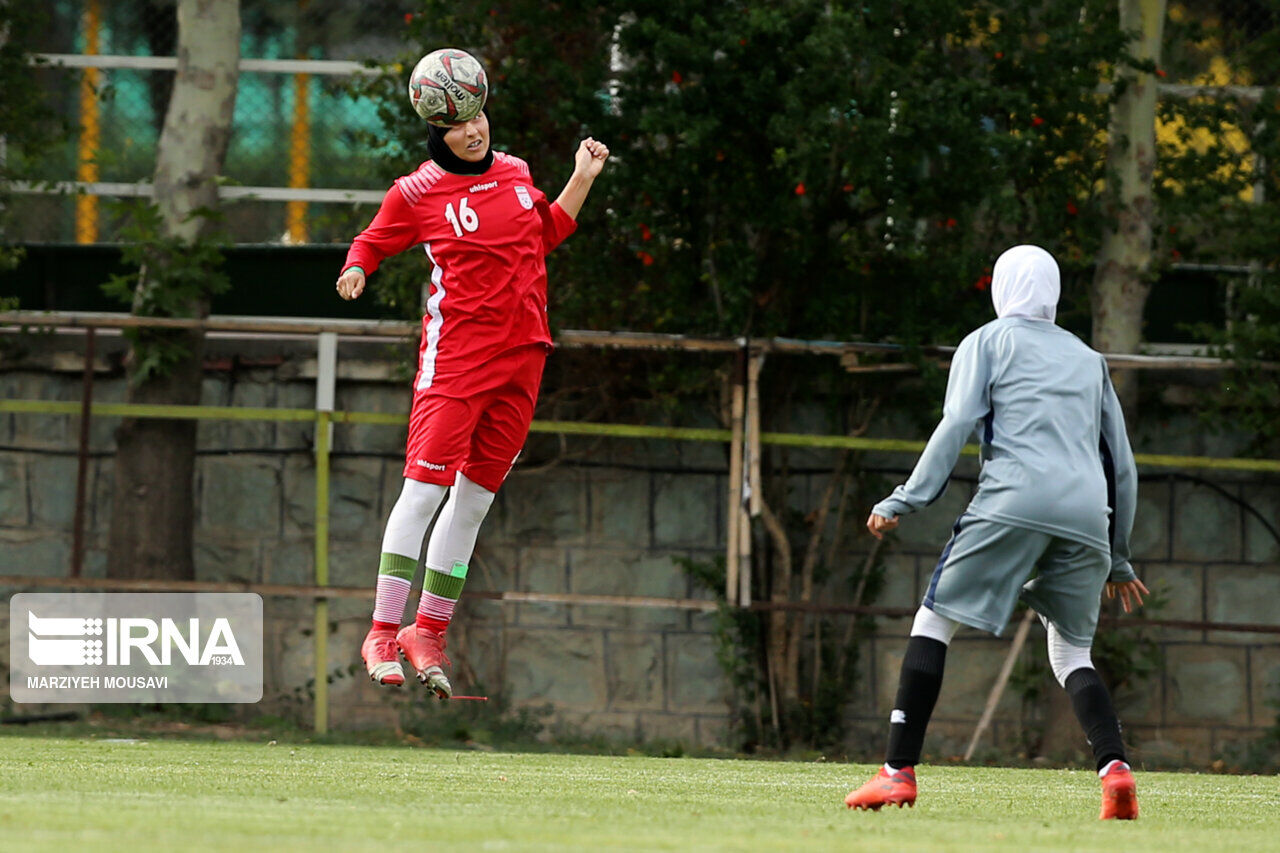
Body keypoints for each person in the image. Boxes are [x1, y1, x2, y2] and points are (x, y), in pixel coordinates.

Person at [844, 245, 1149, 820]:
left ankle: (896, 773)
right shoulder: (1089, 359)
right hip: (1088, 516)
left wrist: (905, 497)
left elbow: (957, 421)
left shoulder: (985, 341)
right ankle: (1115, 769)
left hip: (1013, 499)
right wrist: (1120, 557)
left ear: (1002, 288)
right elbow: (1123, 465)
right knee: (1071, 649)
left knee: (933, 622)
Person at [336, 97, 609, 699]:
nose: (473, 129)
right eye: (457, 122)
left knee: (475, 503)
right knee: (424, 492)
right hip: (457, 364)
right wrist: (357, 268)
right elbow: (372, 241)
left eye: (478, 115)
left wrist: (581, 179)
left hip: (524, 359)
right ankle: (382, 632)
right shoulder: (414, 192)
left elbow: (543, 235)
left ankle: (427, 631)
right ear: (436, 128)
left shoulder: (515, 171)